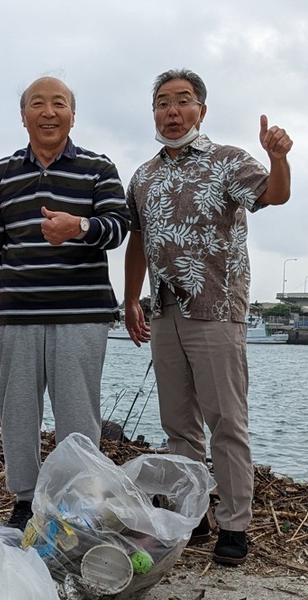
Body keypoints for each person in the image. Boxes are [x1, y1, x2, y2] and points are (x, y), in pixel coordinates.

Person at [123, 69, 292, 566]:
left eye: (183, 101)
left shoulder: (228, 160)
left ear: (202, 109)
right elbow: (137, 240)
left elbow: (274, 195)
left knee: (226, 422)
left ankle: (235, 524)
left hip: (217, 309)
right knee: (178, 425)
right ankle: (191, 513)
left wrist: (278, 159)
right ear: (153, 112)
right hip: (164, 310)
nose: (172, 112)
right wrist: (131, 299)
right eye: (162, 103)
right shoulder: (143, 176)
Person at [0, 77, 130, 531]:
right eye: (37, 103)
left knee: (78, 413)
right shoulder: (1, 173)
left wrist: (80, 227)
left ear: (73, 115)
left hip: (82, 312)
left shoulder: (98, 168)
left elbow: (118, 226)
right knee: (17, 411)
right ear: (24, 116)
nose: (49, 111)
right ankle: (24, 498)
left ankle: (78, 501)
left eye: (59, 103)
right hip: (18, 312)